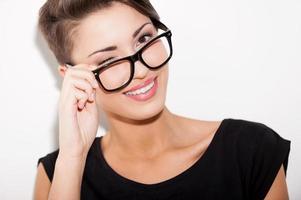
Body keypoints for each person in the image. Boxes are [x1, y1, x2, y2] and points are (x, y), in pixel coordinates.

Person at [34, 0, 291, 199]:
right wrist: (72, 157)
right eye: (108, 60)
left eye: (144, 38)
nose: (143, 70)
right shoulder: (57, 172)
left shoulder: (250, 151)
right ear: (72, 78)